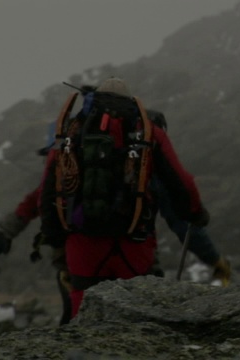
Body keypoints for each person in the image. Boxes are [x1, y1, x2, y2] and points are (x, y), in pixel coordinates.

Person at [39, 77, 210, 319]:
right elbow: (181, 181)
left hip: (83, 243)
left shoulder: (70, 132)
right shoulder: (148, 132)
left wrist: (55, 238)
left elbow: (49, 188)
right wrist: (194, 212)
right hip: (133, 240)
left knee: (83, 314)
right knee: (138, 315)